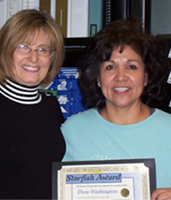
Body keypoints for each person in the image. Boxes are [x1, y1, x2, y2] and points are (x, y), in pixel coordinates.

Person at [61, 16, 171, 199]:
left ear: (146, 77)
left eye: (132, 67)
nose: (121, 77)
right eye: (110, 67)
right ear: (97, 77)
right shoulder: (71, 132)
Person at [0, 9, 65, 199]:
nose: (33, 57)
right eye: (24, 47)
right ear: (7, 51)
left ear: (52, 57)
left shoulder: (50, 106)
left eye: (43, 49)